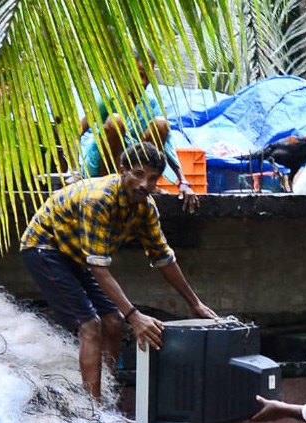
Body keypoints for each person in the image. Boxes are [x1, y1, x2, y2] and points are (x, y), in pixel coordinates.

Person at [19, 141, 216, 401]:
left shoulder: (145, 208)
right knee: (90, 325)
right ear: (122, 170)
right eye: (138, 174)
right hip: (44, 247)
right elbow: (98, 268)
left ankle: (108, 400)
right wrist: (135, 316)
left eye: (152, 179)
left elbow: (164, 258)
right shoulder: (100, 200)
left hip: (76, 254)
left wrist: (196, 304)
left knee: (113, 322)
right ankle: (95, 413)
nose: (144, 184)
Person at [78, 53, 200, 212]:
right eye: (139, 75)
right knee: (116, 120)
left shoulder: (151, 103)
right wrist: (74, 170)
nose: (143, 82)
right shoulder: (110, 97)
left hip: (134, 166)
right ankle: (113, 183)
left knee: (161, 124)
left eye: (147, 76)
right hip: (107, 167)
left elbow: (168, 147)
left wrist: (183, 182)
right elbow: (76, 131)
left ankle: (144, 184)